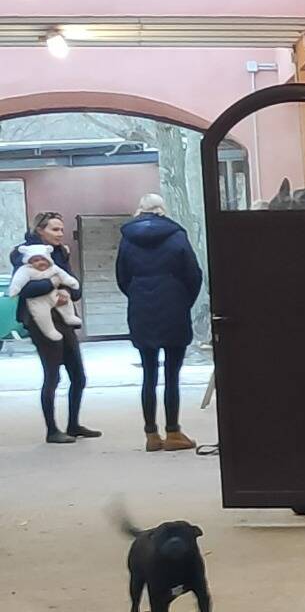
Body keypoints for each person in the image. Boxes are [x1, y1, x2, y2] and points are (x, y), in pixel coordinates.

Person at [116, 194, 204, 452]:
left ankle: (151, 435)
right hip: (174, 304)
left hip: (141, 307)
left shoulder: (127, 239)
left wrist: (137, 293)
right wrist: (182, 299)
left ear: (139, 210)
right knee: (172, 376)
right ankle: (174, 432)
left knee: (148, 374)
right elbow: (193, 274)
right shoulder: (177, 235)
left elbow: (121, 276)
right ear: (162, 210)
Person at [9, 212, 99, 445]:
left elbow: (75, 288)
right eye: (55, 229)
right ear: (40, 230)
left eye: (62, 229)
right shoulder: (25, 255)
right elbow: (23, 290)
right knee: (52, 376)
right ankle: (52, 430)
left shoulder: (61, 253)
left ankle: (73, 424)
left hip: (64, 318)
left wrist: (67, 292)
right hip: (40, 321)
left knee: (78, 376)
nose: (61, 234)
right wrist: (52, 283)